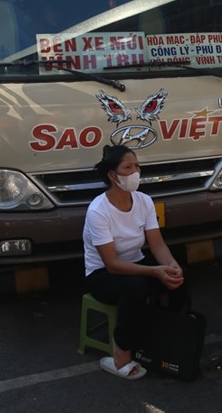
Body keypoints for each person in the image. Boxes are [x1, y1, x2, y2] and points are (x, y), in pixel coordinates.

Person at [83, 145, 187, 380]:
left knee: (179, 279)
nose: (135, 172)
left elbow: (157, 245)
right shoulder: (98, 211)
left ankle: (169, 339)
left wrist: (171, 266)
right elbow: (111, 264)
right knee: (137, 288)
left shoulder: (144, 201)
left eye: (137, 166)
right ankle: (121, 352)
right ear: (112, 175)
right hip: (102, 275)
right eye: (128, 167)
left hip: (137, 263)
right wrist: (154, 271)